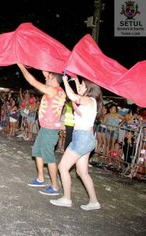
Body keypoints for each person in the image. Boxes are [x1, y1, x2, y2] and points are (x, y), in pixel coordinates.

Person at [50, 76, 103, 211]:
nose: (79, 87)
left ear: (89, 89)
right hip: (87, 139)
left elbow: (74, 96)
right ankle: (94, 201)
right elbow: (78, 93)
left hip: (82, 138)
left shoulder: (88, 100)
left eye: (82, 85)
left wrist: (66, 80)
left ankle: (66, 198)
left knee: (62, 167)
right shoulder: (91, 101)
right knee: (82, 172)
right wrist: (75, 79)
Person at [17, 63, 66, 195]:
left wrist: (20, 65)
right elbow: (47, 73)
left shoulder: (53, 90)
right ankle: (40, 178)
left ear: (53, 79)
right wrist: (42, 61)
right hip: (45, 129)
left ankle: (55, 187)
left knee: (49, 157)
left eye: (48, 78)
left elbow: (32, 81)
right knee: (37, 152)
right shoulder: (58, 89)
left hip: (50, 131)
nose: (45, 79)